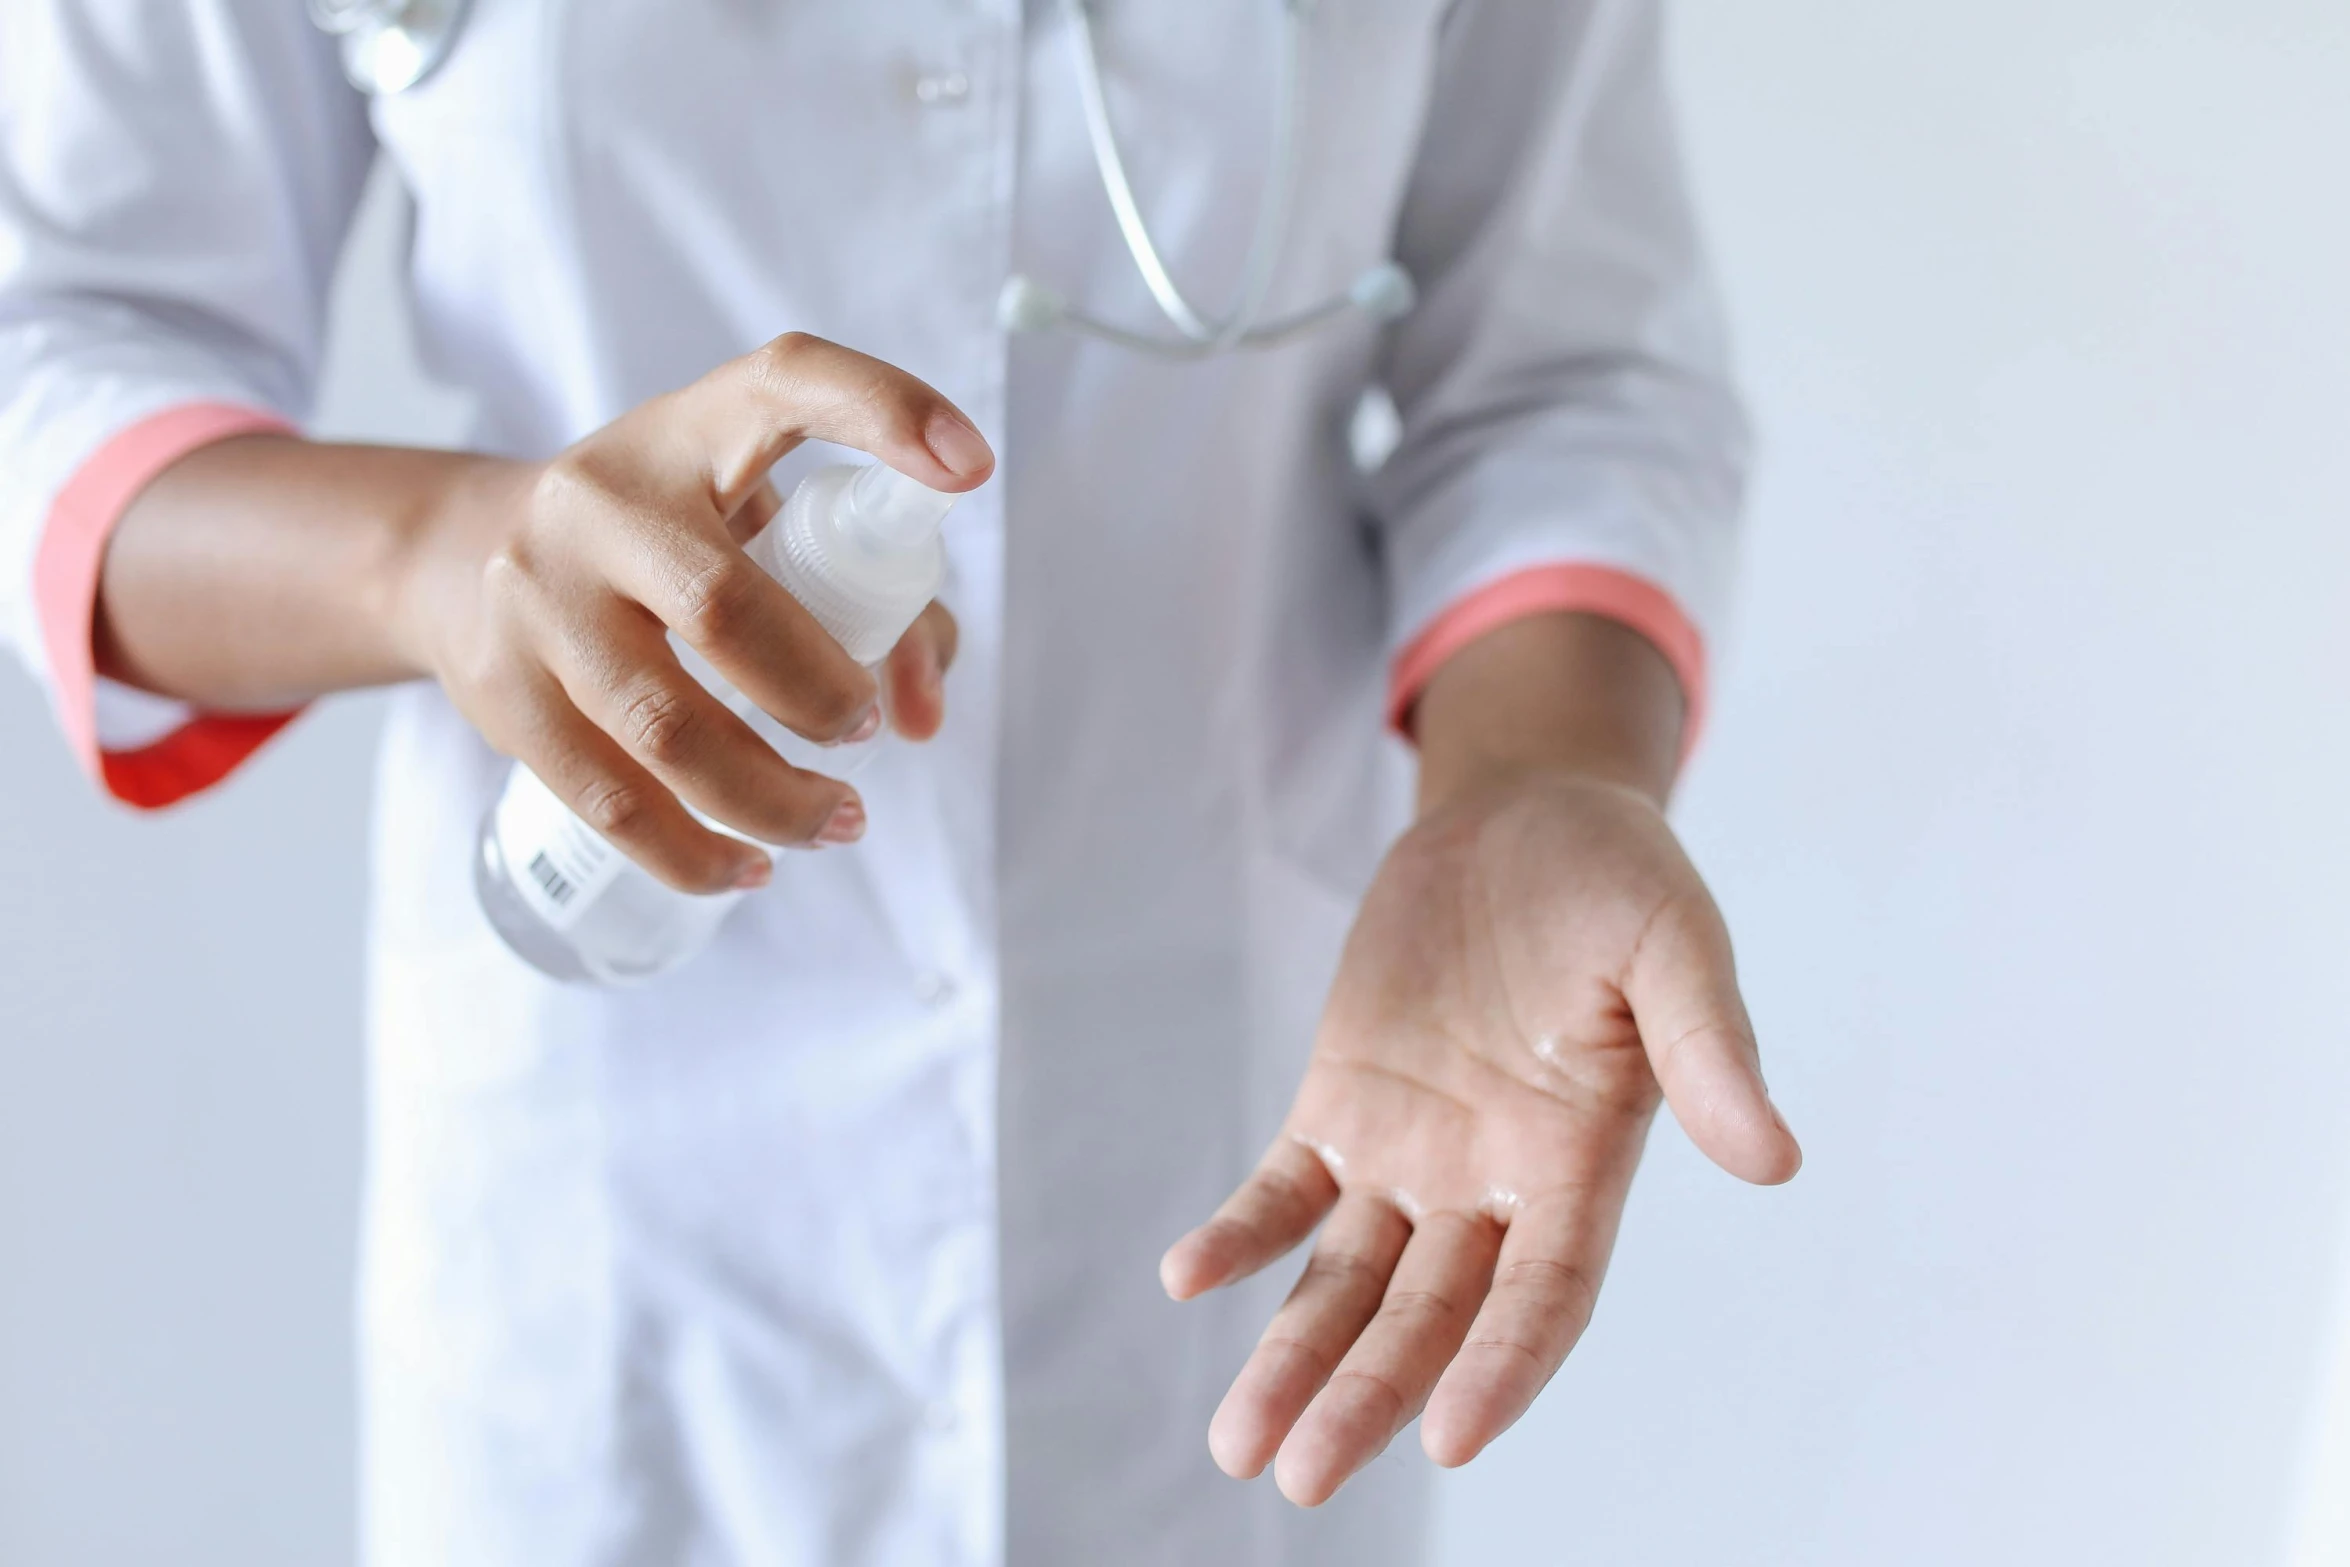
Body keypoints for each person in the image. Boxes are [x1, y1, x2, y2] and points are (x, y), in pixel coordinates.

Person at [0, 0, 1801, 1562]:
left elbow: (1570, 376)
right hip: (614, 1224)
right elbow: (59, 347)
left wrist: (1536, 777)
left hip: (1246, 1141)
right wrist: (450, 557)